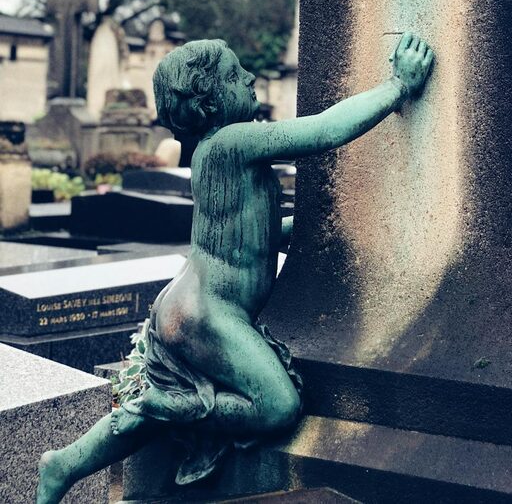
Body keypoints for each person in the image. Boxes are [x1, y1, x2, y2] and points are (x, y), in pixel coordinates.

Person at [36, 32, 434, 503]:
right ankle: (178, 407)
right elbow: (324, 131)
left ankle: (65, 463)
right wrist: (397, 86)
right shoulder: (231, 141)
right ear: (209, 104)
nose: (248, 77)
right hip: (205, 312)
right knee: (277, 406)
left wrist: (314, 230)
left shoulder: (219, 153)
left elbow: (254, 235)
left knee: (148, 414)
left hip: (193, 307)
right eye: (233, 73)